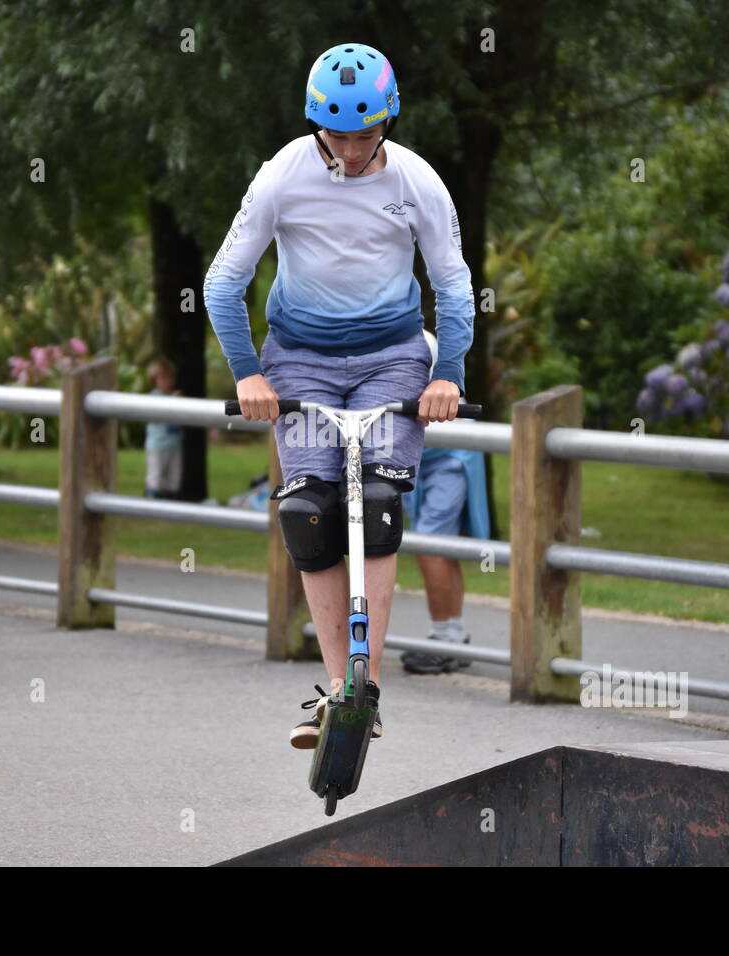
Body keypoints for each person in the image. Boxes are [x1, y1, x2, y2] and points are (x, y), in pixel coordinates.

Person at [204, 43, 475, 749]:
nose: (351, 151)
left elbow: (452, 284)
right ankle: (337, 694)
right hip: (300, 360)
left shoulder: (417, 180)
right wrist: (248, 373)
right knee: (309, 512)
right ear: (314, 123)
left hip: (391, 359)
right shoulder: (282, 177)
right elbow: (223, 283)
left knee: (378, 502)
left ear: (387, 121)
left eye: (365, 134)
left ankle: (368, 692)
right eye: (337, 135)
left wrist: (449, 375)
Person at [400, 331, 489, 674]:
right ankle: (453, 634)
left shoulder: (418, 339)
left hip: (447, 451)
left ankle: (444, 637)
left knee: (430, 542)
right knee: (435, 543)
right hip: (417, 453)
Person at [144, 357, 183, 499]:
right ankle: (151, 499)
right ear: (154, 380)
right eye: (163, 378)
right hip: (158, 445)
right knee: (155, 473)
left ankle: (170, 500)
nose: (167, 381)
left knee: (174, 474)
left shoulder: (174, 396)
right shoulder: (154, 397)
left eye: (170, 378)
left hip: (174, 443)